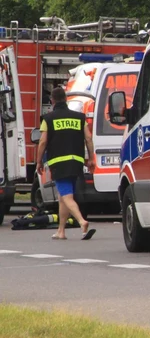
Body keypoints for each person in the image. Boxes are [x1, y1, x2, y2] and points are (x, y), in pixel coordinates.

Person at [35, 86, 95, 240]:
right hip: (76, 162)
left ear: (52, 101)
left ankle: (82, 222)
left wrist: (38, 162)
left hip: (59, 163)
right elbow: (88, 138)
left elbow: (42, 142)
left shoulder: (48, 119)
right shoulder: (80, 118)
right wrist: (91, 159)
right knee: (63, 197)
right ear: (66, 99)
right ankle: (61, 231)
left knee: (67, 197)